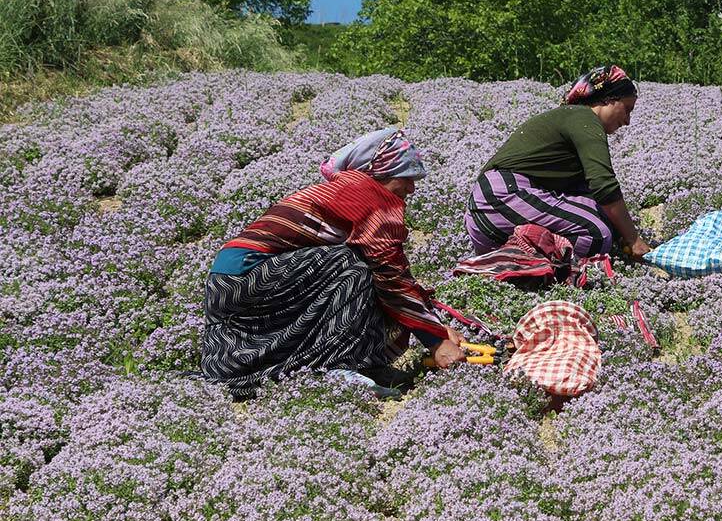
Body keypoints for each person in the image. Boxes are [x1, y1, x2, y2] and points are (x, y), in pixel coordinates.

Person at [201, 130, 465, 399]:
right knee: (357, 264)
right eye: (406, 179)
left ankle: (357, 365)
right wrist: (434, 340)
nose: (412, 189)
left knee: (362, 265)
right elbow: (391, 275)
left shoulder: (350, 187)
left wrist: (434, 326)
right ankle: (334, 366)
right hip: (249, 277)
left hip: (233, 282)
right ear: (383, 172)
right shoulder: (368, 195)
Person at [465, 65, 652, 259]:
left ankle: (516, 259)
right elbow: (603, 184)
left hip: (492, 211)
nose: (628, 121)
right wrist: (633, 239)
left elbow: (591, 196)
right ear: (608, 98)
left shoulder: (574, 118)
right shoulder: (583, 117)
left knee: (605, 221)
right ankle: (531, 265)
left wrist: (619, 232)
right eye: (627, 109)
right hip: (501, 199)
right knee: (596, 235)